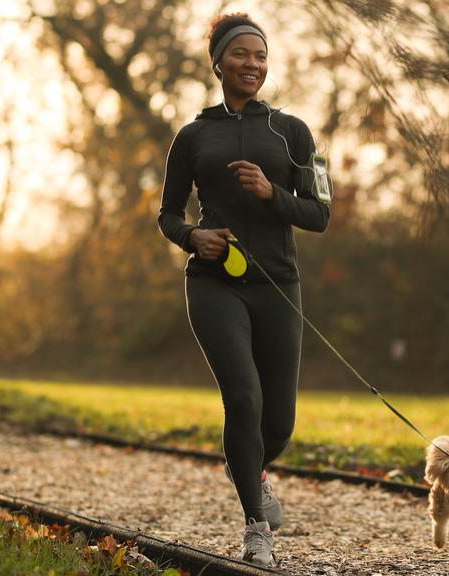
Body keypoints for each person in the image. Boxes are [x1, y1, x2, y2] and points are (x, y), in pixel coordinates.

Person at [157, 12, 330, 566]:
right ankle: (256, 525)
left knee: (278, 420)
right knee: (244, 397)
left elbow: (320, 214)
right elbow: (166, 213)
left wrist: (271, 192)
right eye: (240, 55)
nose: (252, 65)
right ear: (218, 63)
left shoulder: (294, 131)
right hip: (215, 283)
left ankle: (250, 467)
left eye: (260, 56)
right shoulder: (191, 136)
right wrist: (193, 237)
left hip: (278, 284)